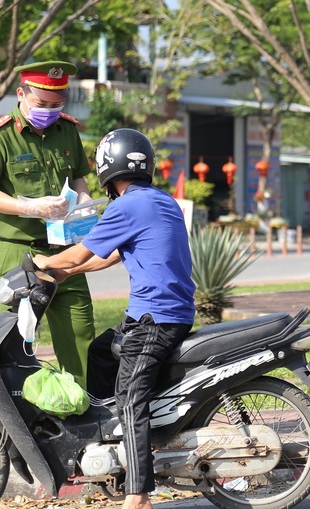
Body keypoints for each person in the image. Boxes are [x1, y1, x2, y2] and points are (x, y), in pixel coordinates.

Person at [34, 129, 195, 509]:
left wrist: (42, 263)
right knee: (101, 353)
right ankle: (114, 443)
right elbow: (111, 255)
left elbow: (77, 253)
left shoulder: (127, 207)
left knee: (129, 398)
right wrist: (65, 274)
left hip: (155, 319)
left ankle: (138, 494)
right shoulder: (159, 200)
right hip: (161, 313)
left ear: (107, 169)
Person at [0, 61, 95, 387]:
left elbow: (79, 179)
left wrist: (84, 201)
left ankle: (84, 411)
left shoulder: (67, 130)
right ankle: (18, 422)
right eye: (42, 105)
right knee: (14, 340)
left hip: (65, 252)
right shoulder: (2, 136)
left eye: (57, 105)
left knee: (80, 333)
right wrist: (29, 207)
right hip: (17, 254)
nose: (50, 112)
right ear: (21, 94)